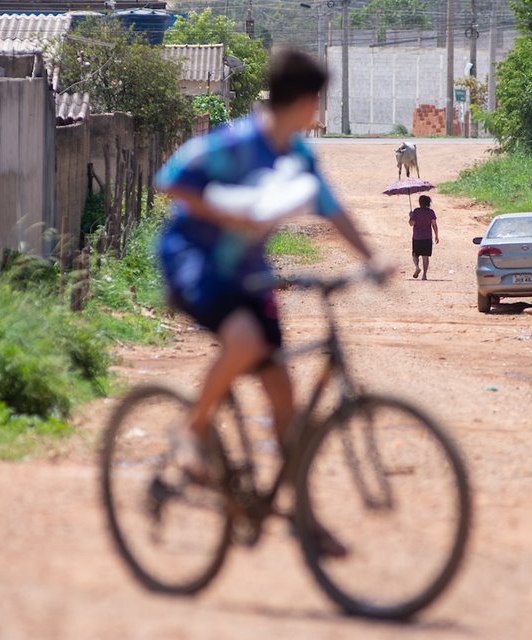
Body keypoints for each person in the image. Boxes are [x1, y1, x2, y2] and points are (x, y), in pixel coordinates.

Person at [155, 48, 383, 556]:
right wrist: (227, 215)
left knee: (284, 400)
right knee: (244, 340)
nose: (318, 110)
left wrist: (374, 259)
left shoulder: (298, 155)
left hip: (247, 272)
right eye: (317, 100)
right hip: (194, 260)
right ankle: (190, 431)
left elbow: (331, 209)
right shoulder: (235, 143)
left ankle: (302, 515)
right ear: (303, 101)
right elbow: (170, 182)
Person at [408, 195, 439, 280]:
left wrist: (411, 216)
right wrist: (436, 235)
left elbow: (411, 224)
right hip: (427, 237)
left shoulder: (416, 211)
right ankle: (424, 275)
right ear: (428, 203)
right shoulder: (431, 212)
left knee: (415, 255)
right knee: (425, 257)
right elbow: (434, 225)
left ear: (420, 202)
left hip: (417, 237)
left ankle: (417, 267)